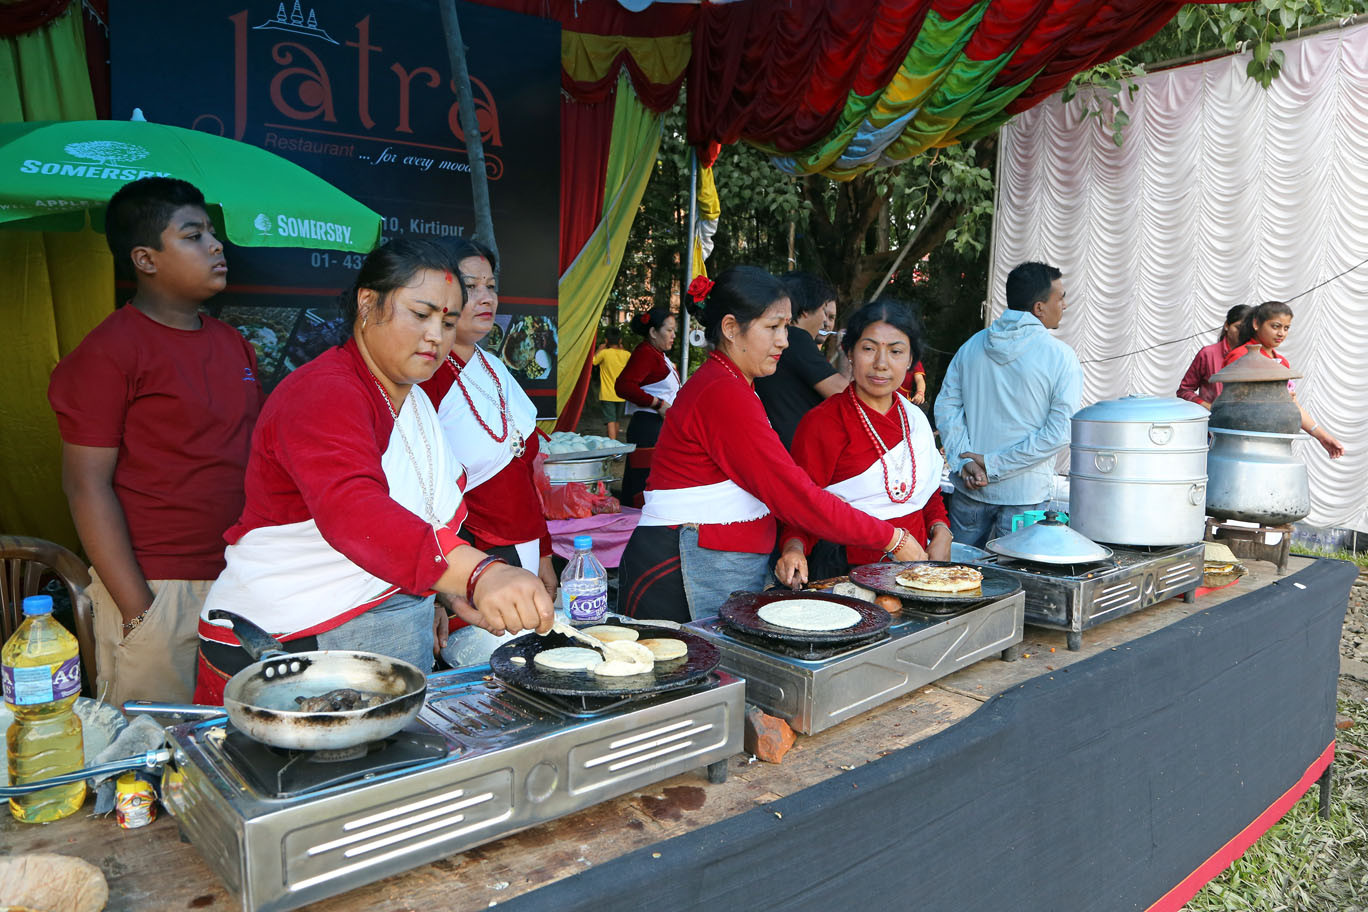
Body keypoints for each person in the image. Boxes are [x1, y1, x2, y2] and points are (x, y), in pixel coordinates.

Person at [193, 238, 553, 703]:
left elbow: (426, 509)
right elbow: (355, 511)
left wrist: (438, 594)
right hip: (290, 641)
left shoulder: (414, 399)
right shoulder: (324, 392)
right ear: (368, 303)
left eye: (447, 322)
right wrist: (477, 573)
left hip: (381, 630)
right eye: (420, 315)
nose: (435, 336)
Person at [47, 177, 263, 708]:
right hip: (156, 585)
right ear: (145, 258)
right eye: (193, 235)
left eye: (212, 232)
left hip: (241, 581)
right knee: (150, 762)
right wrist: (136, 605)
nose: (216, 245)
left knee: (235, 752)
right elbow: (84, 486)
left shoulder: (232, 343)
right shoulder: (108, 352)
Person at [616, 267, 926, 623]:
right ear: (732, 329)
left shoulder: (735, 384)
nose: (784, 340)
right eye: (773, 327)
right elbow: (794, 494)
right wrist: (892, 538)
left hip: (709, 559)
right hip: (681, 565)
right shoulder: (722, 393)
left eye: (786, 327)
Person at [419, 238, 557, 666]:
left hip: (524, 544)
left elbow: (524, 472)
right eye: (470, 286)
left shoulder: (494, 367)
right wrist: (438, 595)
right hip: (468, 553)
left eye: (491, 286)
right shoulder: (426, 376)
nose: (485, 298)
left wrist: (545, 553)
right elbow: (420, 495)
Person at [779, 299, 951, 581]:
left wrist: (941, 529)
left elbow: (927, 493)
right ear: (849, 353)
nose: (881, 364)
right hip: (844, 575)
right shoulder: (823, 423)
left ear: (910, 360)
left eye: (895, 351)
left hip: (917, 572)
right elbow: (802, 507)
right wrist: (793, 548)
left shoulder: (915, 419)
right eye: (869, 349)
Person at [934, 261, 1083, 548]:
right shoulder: (1061, 357)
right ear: (1039, 308)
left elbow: (946, 408)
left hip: (969, 488)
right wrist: (992, 465)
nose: (1065, 304)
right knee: (1013, 582)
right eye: (1060, 297)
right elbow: (1060, 433)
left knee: (954, 577)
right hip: (1025, 495)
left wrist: (967, 461)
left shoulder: (971, 347)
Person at [1223, 301, 1344, 459]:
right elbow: (1235, 402)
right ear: (1256, 324)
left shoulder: (1282, 362)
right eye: (1275, 326)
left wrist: (1322, 436)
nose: (1281, 333)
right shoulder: (1240, 356)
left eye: (1286, 328)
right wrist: (1277, 399)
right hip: (1244, 442)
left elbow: (1292, 405)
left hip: (1274, 440)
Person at [755, 271, 848, 448]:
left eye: (831, 317)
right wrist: (847, 353)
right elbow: (846, 396)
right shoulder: (796, 339)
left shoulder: (777, 341)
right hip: (799, 454)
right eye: (823, 311)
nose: (825, 322)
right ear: (805, 310)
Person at [615, 306, 680, 506]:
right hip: (648, 427)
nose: (673, 335)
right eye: (669, 330)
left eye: (674, 330)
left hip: (655, 426)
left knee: (648, 480)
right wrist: (658, 403)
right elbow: (624, 386)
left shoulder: (658, 354)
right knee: (644, 483)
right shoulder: (646, 353)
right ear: (653, 332)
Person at [1177, 304, 1250, 408]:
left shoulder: (1255, 357)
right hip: (1213, 420)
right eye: (1238, 328)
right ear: (1226, 325)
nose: (1243, 333)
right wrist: (1207, 406)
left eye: (1247, 329)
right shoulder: (1208, 354)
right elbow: (1184, 391)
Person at [592, 326, 632, 440]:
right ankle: (614, 444)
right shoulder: (627, 355)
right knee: (617, 420)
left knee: (610, 420)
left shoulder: (604, 353)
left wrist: (599, 349)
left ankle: (613, 449)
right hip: (622, 394)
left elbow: (593, 361)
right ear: (620, 340)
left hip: (607, 394)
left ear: (606, 340)